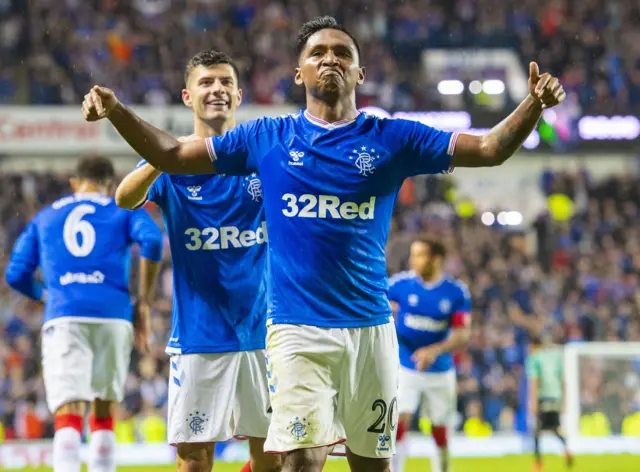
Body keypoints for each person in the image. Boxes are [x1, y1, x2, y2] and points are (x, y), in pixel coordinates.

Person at [80, 15, 566, 472]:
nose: (329, 59)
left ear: (360, 71)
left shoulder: (392, 137)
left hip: (373, 332)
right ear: (298, 72)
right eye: (317, 53)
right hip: (296, 331)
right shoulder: (267, 137)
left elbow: (489, 149)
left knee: (372, 463)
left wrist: (534, 106)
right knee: (300, 461)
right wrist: (117, 111)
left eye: (341, 52)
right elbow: (170, 154)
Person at [114, 50, 280, 472]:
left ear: (239, 95)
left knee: (273, 457)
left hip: (265, 334)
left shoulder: (262, 157)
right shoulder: (171, 162)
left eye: (226, 82)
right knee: (194, 460)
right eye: (207, 82)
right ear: (188, 96)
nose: (217, 89)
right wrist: (165, 156)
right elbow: (125, 198)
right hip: (200, 339)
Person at [5, 156, 163, 472]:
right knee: (104, 408)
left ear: (74, 183)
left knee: (68, 410)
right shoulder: (123, 209)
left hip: (65, 315)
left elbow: (16, 273)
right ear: (110, 184)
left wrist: (45, 295)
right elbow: (153, 240)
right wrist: (142, 302)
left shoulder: (46, 217)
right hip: (113, 314)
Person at [388, 237, 471, 472]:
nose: (413, 260)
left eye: (419, 255)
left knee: (440, 431)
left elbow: (463, 335)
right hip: (405, 365)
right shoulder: (399, 285)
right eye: (413, 254)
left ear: (436, 259)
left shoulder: (456, 292)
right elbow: (380, 309)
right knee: (398, 422)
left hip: (440, 370)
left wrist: (434, 350)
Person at [526, 335, 573, 471]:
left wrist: (533, 404)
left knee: (537, 432)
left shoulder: (534, 359)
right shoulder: (555, 358)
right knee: (555, 428)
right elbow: (563, 380)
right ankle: (567, 450)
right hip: (556, 397)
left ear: (535, 346)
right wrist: (564, 402)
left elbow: (534, 381)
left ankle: (538, 463)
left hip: (543, 398)